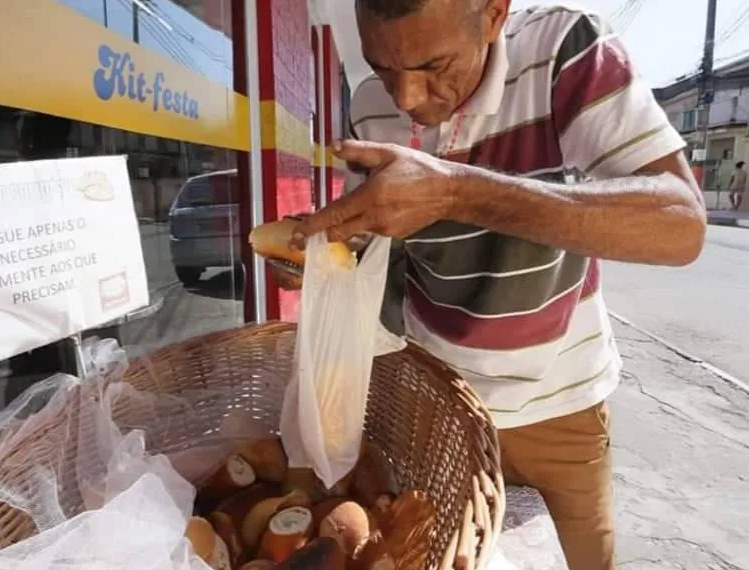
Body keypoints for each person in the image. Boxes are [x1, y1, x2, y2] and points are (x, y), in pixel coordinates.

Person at [281, 2, 707, 569]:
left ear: (492, 15)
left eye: (435, 65)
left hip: (562, 399)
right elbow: (386, 254)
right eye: (382, 68)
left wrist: (455, 191)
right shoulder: (368, 107)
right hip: (440, 404)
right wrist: (333, 262)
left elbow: (679, 225)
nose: (406, 98)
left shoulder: (563, 49)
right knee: (440, 554)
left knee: (592, 558)